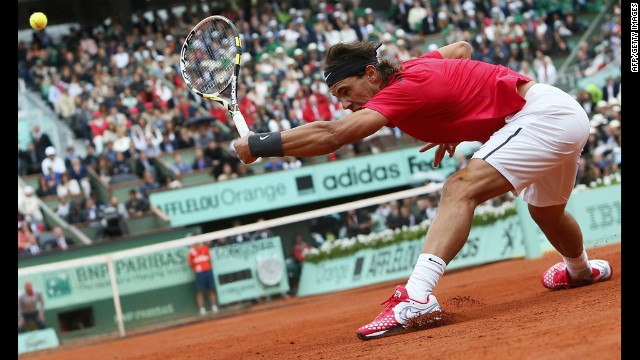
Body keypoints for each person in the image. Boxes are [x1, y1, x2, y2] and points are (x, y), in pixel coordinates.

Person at [233, 40, 613, 340]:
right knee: (545, 212)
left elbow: (333, 135)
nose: (346, 104)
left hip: (541, 117)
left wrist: (259, 144)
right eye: (338, 97)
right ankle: (580, 271)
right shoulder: (411, 68)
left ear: (371, 74)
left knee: (460, 188)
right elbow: (461, 48)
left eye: (347, 91)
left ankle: (417, 296)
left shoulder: (403, 88)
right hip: (559, 112)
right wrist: (451, 119)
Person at [187, 242, 219, 315]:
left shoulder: (205, 248)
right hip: (199, 273)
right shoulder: (192, 251)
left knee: (211, 289)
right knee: (200, 291)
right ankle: (202, 309)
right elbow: (190, 263)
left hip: (208, 271)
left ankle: (214, 307)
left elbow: (209, 258)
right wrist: (197, 269)